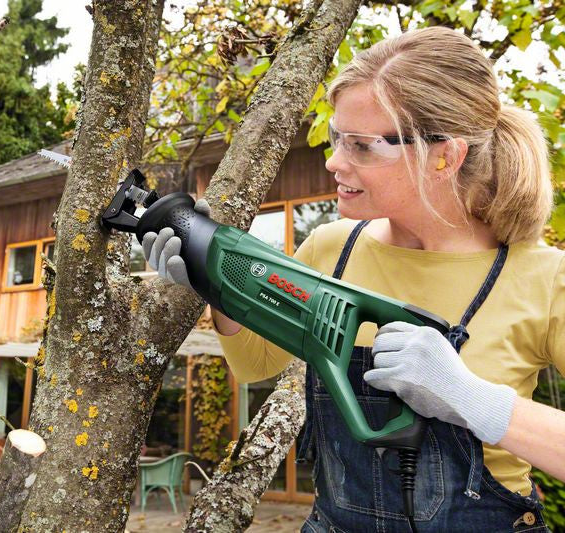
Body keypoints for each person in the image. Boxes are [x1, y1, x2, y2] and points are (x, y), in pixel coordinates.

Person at [142, 26, 565, 532]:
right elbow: (254, 364)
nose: (334, 161)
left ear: (444, 156)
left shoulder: (543, 277)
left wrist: (472, 398)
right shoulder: (332, 248)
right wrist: (215, 282)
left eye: (363, 146)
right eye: (338, 137)